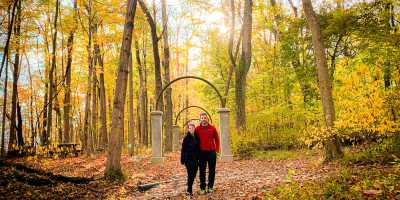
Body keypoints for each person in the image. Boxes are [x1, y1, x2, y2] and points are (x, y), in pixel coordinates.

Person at [195, 112, 220, 194]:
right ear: (200, 119)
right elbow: (194, 141)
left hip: (211, 152)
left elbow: (217, 139)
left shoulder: (212, 128)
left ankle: (210, 187)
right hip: (201, 153)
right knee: (202, 171)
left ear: (207, 119)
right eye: (202, 118)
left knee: (212, 171)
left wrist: (217, 150)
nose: (203, 119)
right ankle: (202, 188)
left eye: (204, 118)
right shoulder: (197, 129)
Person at [180, 122, 200, 197]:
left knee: (194, 174)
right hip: (188, 159)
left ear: (194, 129)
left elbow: (199, 148)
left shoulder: (197, 136)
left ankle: (189, 187)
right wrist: (182, 159)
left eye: (193, 128)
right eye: (190, 128)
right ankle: (189, 189)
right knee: (190, 174)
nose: (191, 129)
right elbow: (183, 149)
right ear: (188, 129)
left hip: (196, 159)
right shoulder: (186, 138)